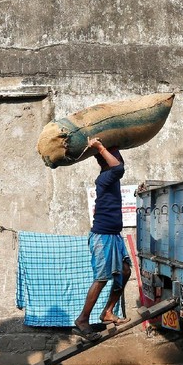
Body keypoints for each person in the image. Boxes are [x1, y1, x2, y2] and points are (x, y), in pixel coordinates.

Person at [72, 138, 132, 341]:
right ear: (107, 160)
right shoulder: (106, 176)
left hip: (114, 235)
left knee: (125, 271)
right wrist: (100, 148)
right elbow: (118, 168)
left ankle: (108, 311)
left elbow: (119, 168)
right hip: (103, 236)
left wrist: (103, 150)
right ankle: (82, 320)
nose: (120, 159)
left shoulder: (112, 177)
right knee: (102, 277)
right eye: (116, 156)